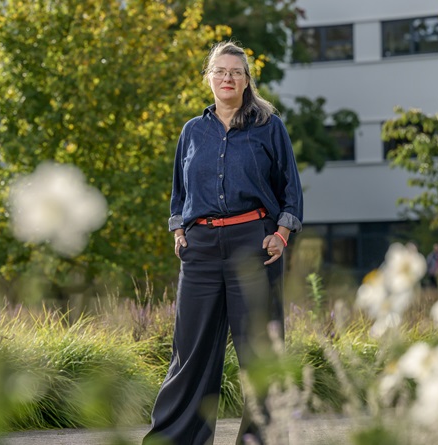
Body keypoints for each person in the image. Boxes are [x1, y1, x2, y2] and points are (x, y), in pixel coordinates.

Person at [143, 41, 303, 445]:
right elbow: (179, 192)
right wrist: (179, 230)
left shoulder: (269, 126)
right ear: (208, 78)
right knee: (190, 351)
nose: (227, 78)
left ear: (247, 80)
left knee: (259, 351)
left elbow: (291, 189)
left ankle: (261, 440)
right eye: (220, 71)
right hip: (199, 249)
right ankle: (177, 439)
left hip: (254, 244)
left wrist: (281, 233)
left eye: (235, 72)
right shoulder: (193, 130)